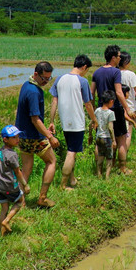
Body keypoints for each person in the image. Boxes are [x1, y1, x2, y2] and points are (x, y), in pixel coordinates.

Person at [48, 54, 97, 191]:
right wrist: (94, 119)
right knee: (72, 152)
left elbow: (54, 101)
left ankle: (72, 179)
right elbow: (88, 104)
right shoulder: (82, 82)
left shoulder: (60, 79)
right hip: (76, 122)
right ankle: (63, 185)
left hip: (64, 121)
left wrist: (52, 121)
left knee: (71, 149)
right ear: (84, 67)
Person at [15, 61, 61, 208]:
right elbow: (35, 120)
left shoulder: (26, 85)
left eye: (49, 79)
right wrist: (50, 136)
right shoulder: (35, 92)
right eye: (44, 78)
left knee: (26, 167)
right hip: (34, 136)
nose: (46, 82)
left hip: (21, 135)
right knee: (51, 161)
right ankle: (42, 198)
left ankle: (20, 202)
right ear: (36, 74)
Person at [92, 45, 136, 175]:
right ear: (113, 58)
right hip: (115, 109)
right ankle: (122, 168)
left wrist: (95, 109)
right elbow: (118, 92)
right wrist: (127, 108)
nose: (119, 59)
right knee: (121, 139)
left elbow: (92, 93)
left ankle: (99, 170)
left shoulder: (97, 72)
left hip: (101, 109)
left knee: (100, 140)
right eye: (118, 56)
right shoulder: (115, 72)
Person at [0, 124, 29, 236]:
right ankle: (7, 220)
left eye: (18, 136)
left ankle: (2, 234)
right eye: (14, 137)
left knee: (4, 207)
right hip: (9, 186)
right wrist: (25, 184)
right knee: (20, 201)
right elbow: (18, 172)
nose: (17, 139)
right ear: (5, 139)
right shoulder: (12, 155)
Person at [120, 52, 136, 145]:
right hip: (129, 107)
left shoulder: (114, 72)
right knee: (128, 133)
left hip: (117, 107)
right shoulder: (131, 74)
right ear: (126, 62)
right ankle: (124, 155)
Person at [94, 90, 117, 179]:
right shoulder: (110, 113)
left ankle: (99, 174)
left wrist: (91, 136)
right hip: (107, 137)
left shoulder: (97, 111)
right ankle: (107, 177)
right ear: (111, 101)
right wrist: (114, 140)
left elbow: (92, 123)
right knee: (109, 158)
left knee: (100, 157)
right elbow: (110, 128)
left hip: (99, 136)